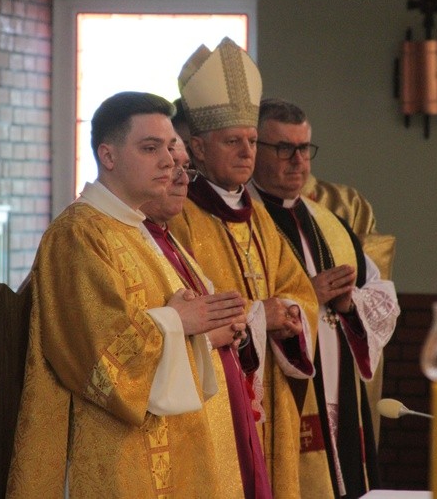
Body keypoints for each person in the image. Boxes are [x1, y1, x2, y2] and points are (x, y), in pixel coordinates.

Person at [6, 91, 249, 497]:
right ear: (109, 155)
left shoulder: (137, 231)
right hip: (112, 457)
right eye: (150, 148)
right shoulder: (79, 233)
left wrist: (204, 329)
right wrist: (182, 323)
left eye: (170, 147)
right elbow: (98, 362)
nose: (169, 161)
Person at [169, 37, 320, 499]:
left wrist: (291, 312)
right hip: (214, 400)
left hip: (267, 393)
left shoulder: (254, 213)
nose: (247, 152)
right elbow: (184, 309)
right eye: (233, 141)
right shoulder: (178, 215)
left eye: (252, 141)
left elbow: (299, 291)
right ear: (196, 147)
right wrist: (262, 317)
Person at [247, 97, 400, 498]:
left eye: (304, 148)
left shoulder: (330, 224)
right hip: (282, 397)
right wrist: (305, 297)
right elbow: (235, 309)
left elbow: (383, 297)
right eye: (283, 148)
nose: (298, 161)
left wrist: (352, 306)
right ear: (253, 147)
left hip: (339, 393)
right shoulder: (242, 223)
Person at [140, 138, 272, 498]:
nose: (183, 179)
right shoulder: (119, 240)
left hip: (220, 420)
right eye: (172, 169)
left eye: (186, 169)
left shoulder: (169, 240)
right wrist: (209, 338)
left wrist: (237, 331)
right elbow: (118, 356)